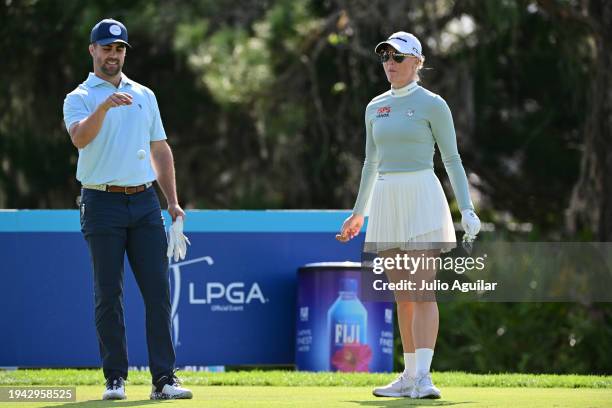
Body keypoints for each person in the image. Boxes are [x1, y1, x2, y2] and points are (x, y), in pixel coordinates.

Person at [337, 31, 481, 399]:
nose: (390, 63)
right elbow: (371, 162)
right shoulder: (374, 107)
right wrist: (358, 213)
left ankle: (425, 378)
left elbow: (451, 159)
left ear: (417, 61)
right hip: (387, 198)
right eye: (385, 56)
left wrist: (466, 208)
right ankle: (409, 376)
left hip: (422, 196)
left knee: (422, 291)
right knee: (403, 295)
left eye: (398, 57)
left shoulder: (433, 104)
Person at [63, 18, 192, 401]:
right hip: (100, 201)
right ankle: (115, 378)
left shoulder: (145, 95)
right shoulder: (80, 97)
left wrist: (172, 202)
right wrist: (103, 107)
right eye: (106, 48)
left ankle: (164, 380)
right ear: (92, 50)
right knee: (108, 293)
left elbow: (160, 149)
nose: (113, 55)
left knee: (158, 293)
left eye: (119, 49)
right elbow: (80, 138)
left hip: (144, 202)